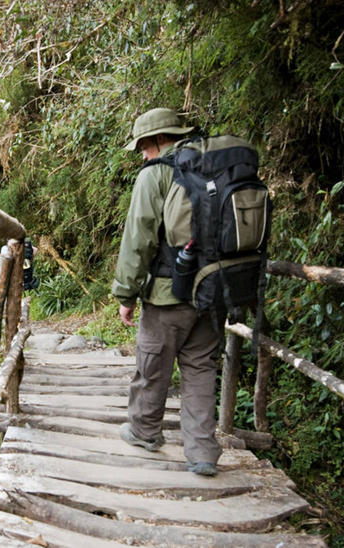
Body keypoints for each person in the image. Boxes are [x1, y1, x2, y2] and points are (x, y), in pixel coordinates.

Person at [112, 108, 222, 477]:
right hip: (212, 291)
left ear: (159, 141)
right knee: (200, 370)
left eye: (143, 146)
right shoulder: (216, 165)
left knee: (153, 364)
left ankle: (144, 431)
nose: (142, 154)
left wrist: (125, 294)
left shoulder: (156, 174)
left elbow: (138, 238)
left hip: (167, 293)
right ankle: (203, 451)